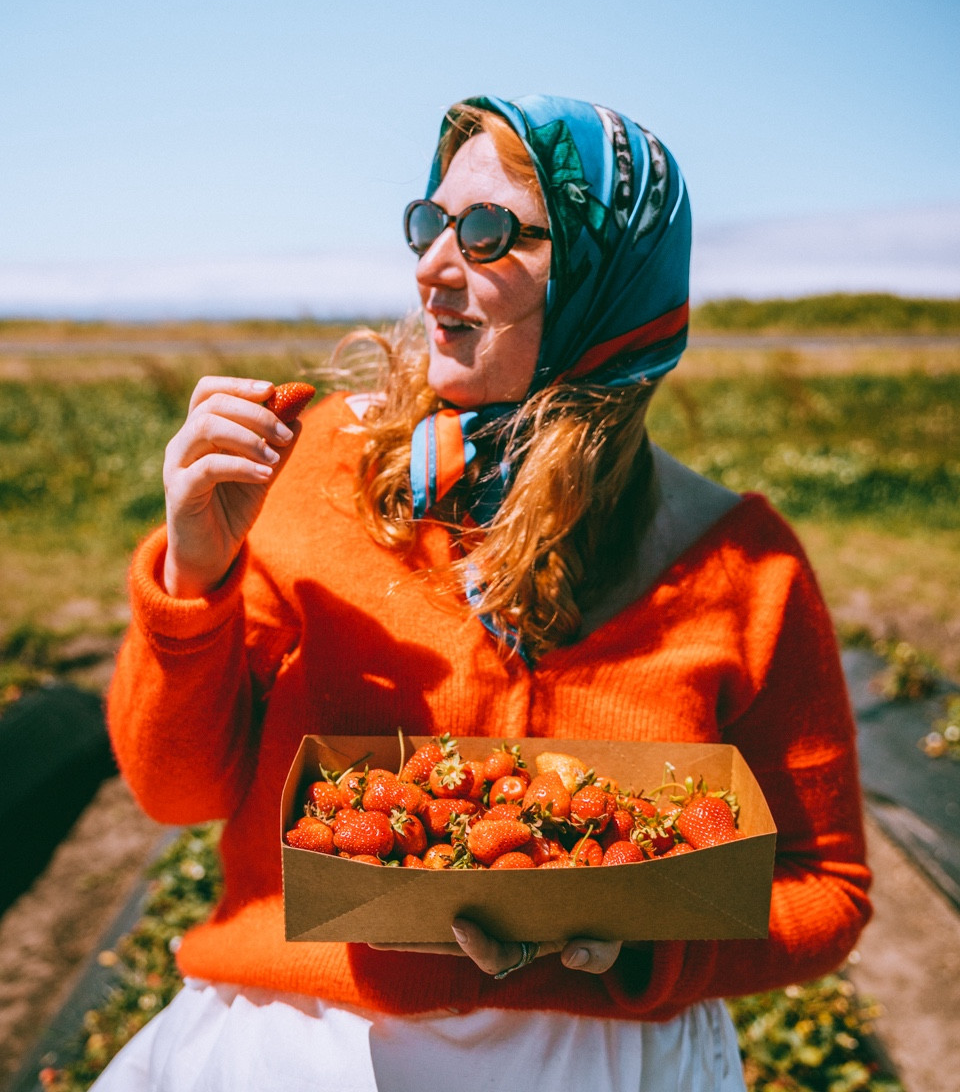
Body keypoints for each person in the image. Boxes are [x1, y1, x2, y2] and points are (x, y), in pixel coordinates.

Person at [96, 95, 871, 1092]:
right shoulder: (307, 476)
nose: (432, 265)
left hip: (608, 1067)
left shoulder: (742, 567)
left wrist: (649, 949)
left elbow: (828, 889)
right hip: (303, 1052)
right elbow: (175, 793)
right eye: (432, 222)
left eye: (491, 232)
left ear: (607, 278)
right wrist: (193, 576)